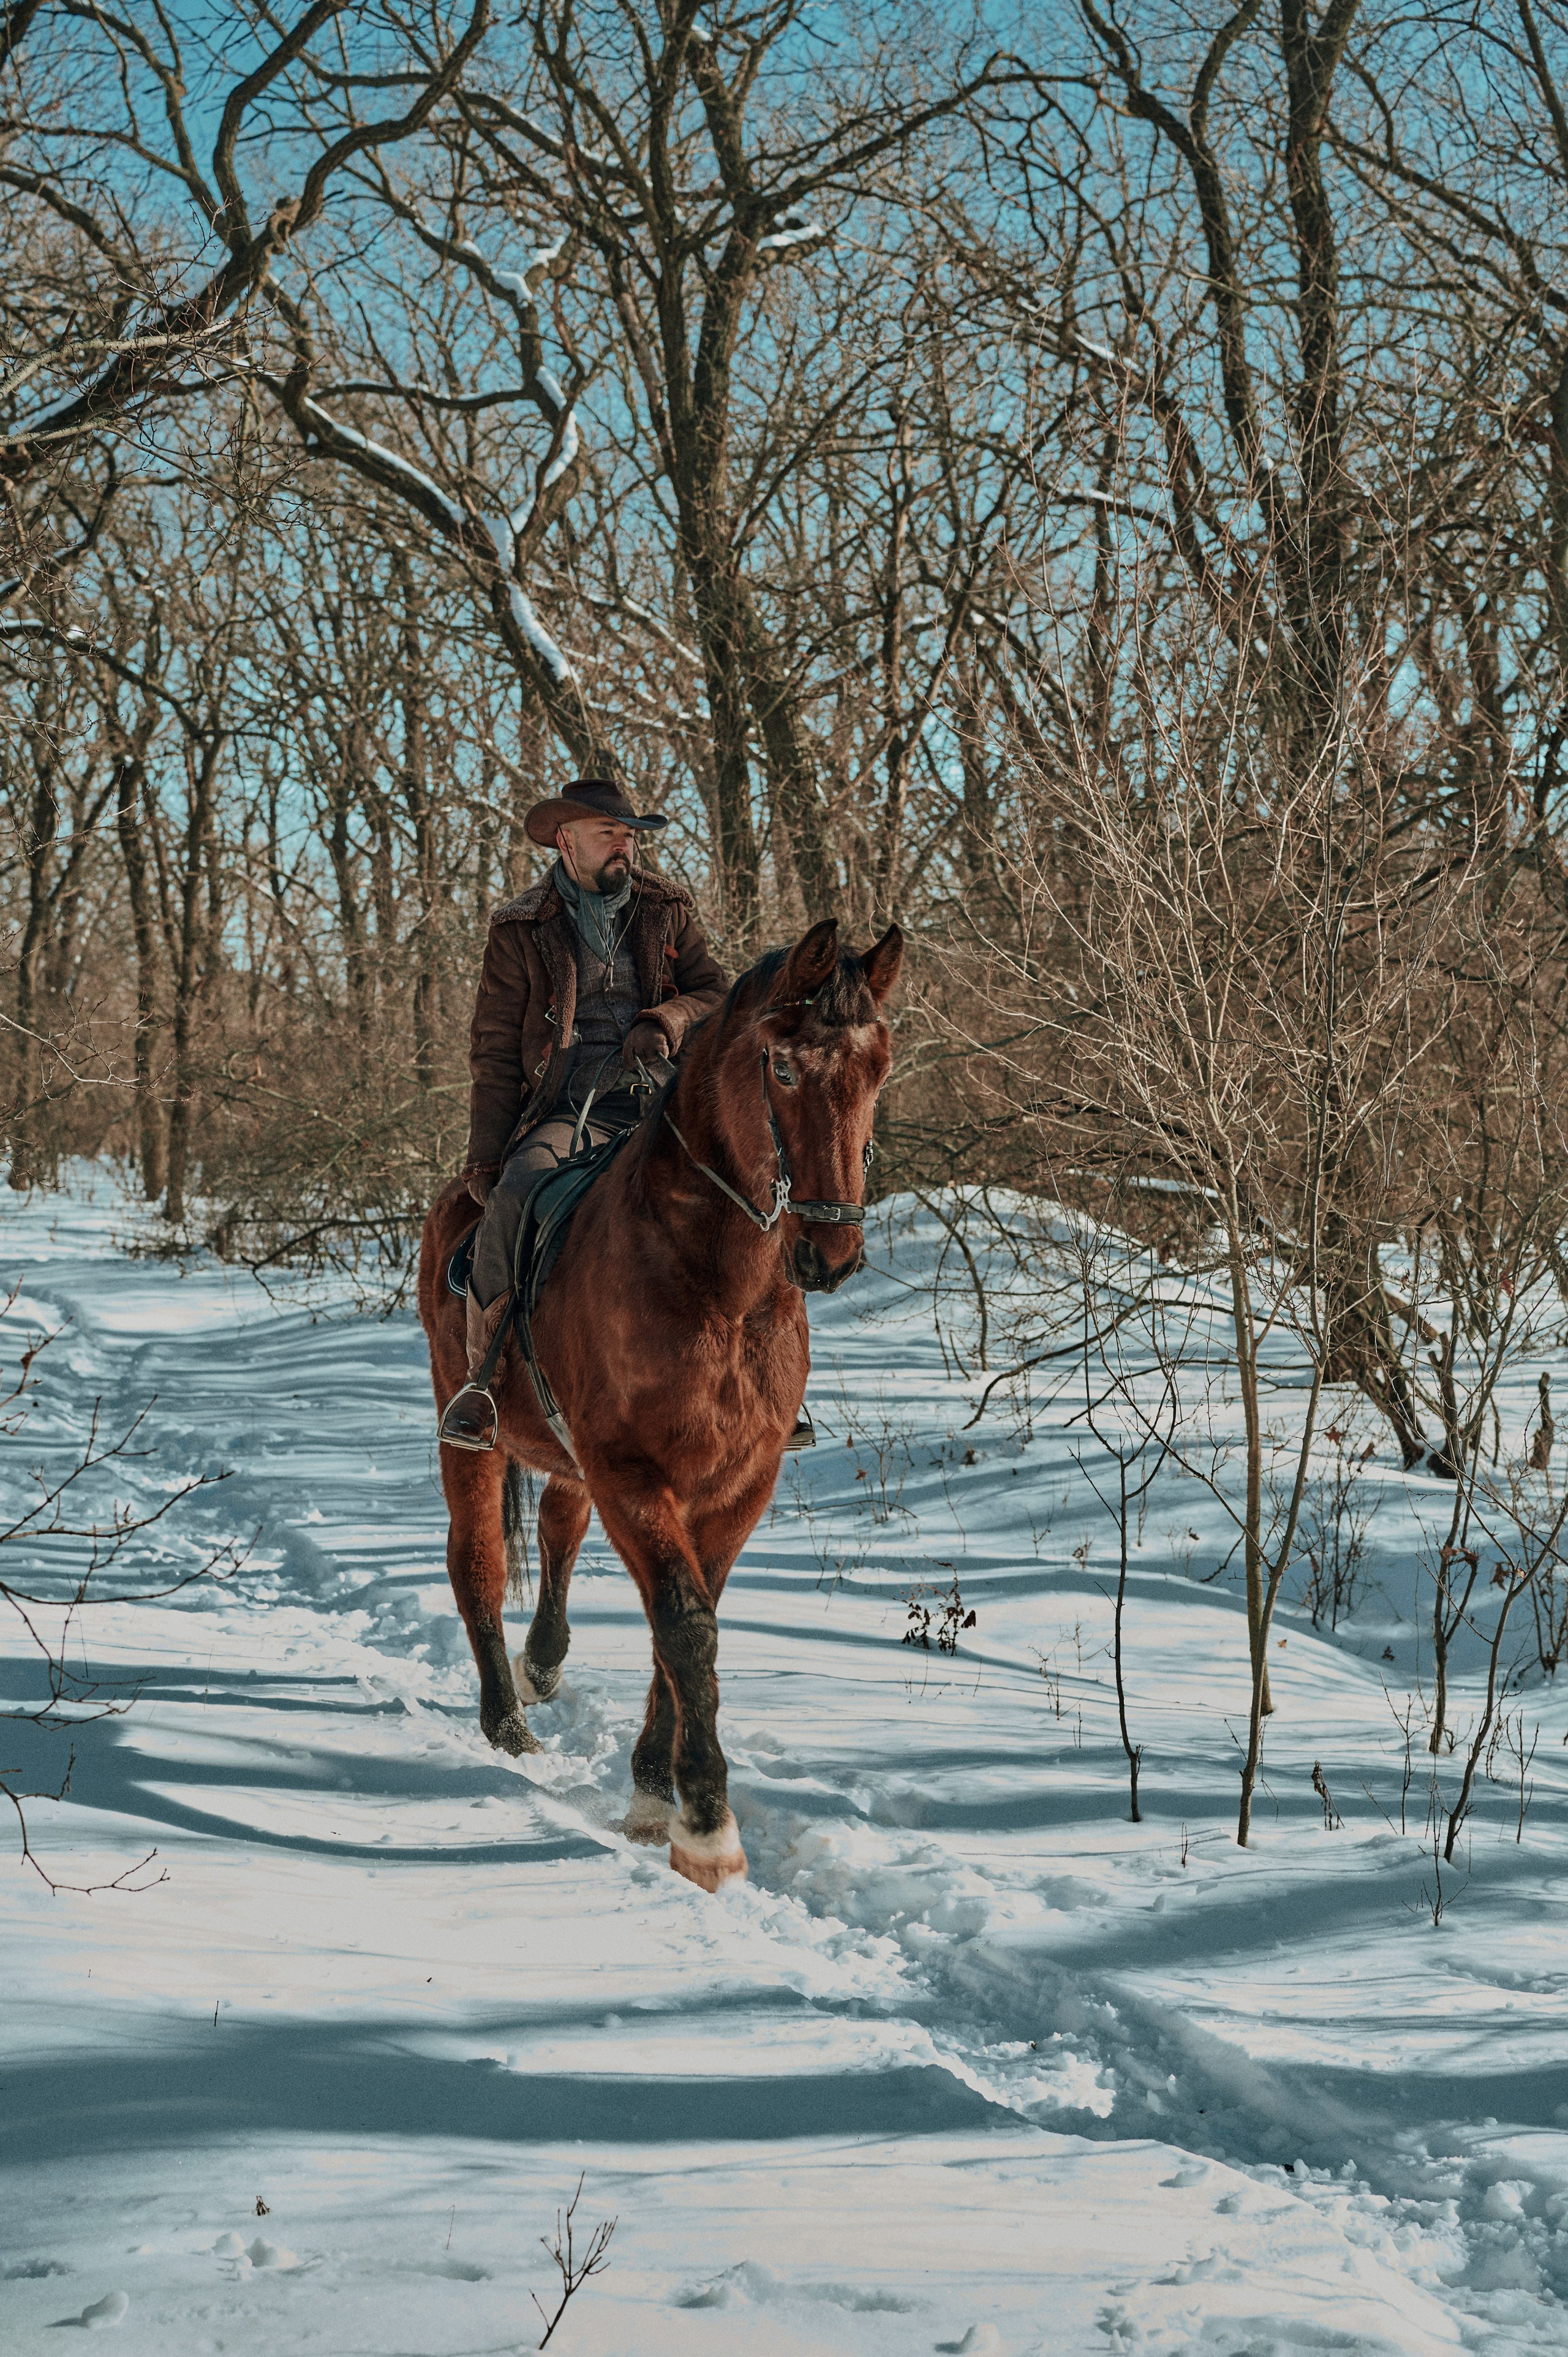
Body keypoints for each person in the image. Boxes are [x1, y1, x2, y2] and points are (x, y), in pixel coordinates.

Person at [438, 777, 726, 1449]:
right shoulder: (520, 928)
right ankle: (484, 1380)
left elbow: (718, 992)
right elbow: (493, 1052)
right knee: (516, 1193)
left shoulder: (667, 908)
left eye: (629, 835)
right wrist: (487, 1157)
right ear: (566, 841)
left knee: (750, 1190)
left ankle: (769, 1383)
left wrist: (665, 1019)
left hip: (667, 1103)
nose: (624, 845)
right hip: (569, 1110)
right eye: (608, 834)